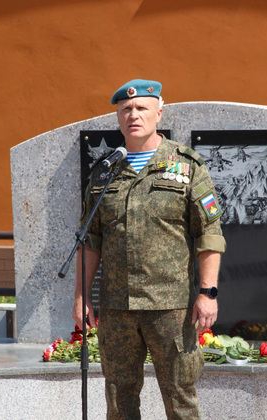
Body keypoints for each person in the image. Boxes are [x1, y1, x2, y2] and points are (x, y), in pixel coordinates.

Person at [73, 79, 226, 419]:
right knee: (119, 400)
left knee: (180, 400)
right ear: (118, 117)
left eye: (142, 107)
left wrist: (208, 292)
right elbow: (91, 240)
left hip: (170, 307)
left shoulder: (187, 166)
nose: (133, 115)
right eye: (126, 109)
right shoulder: (105, 171)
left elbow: (209, 233)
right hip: (117, 307)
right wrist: (82, 296)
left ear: (159, 112)